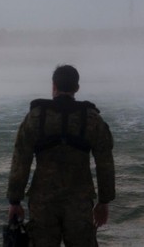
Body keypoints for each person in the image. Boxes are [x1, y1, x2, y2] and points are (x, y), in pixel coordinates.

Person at [7, 65, 115, 246]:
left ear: (53, 86)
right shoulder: (91, 118)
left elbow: (21, 161)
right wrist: (104, 202)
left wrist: (14, 201)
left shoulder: (35, 117)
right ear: (77, 88)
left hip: (43, 203)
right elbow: (105, 163)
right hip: (79, 202)